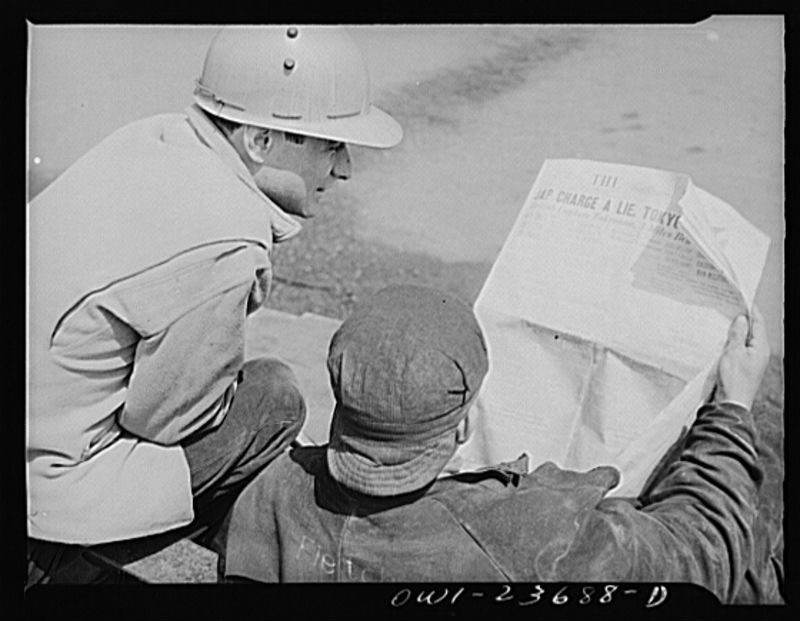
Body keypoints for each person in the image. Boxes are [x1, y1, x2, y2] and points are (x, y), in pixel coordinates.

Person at [26, 25, 402, 585]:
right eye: (330, 145)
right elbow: (165, 422)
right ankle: (82, 559)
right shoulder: (225, 240)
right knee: (274, 398)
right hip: (46, 493)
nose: (343, 168)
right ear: (259, 141)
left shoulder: (156, 137)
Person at [221, 284, 782, 604]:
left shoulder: (269, 493)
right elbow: (702, 557)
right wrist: (732, 407)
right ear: (464, 427)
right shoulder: (530, 534)